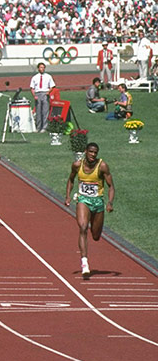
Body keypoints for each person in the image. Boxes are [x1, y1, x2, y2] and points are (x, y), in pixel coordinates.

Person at [64, 142, 114, 276]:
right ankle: (84, 263)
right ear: (86, 151)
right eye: (91, 152)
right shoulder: (77, 165)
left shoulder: (102, 166)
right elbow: (71, 180)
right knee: (83, 227)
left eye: (95, 153)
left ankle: (93, 223)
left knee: (96, 236)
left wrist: (109, 202)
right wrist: (68, 196)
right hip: (83, 200)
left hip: (97, 202)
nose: (93, 155)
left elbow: (111, 186)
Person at [30, 62, 55, 132]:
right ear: (38, 68)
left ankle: (44, 127)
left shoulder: (48, 76)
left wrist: (48, 92)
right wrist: (34, 95)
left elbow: (52, 86)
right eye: (41, 67)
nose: (42, 69)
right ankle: (38, 126)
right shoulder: (35, 77)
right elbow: (32, 88)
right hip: (38, 94)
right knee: (38, 111)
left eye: (43, 67)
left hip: (45, 93)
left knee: (45, 111)